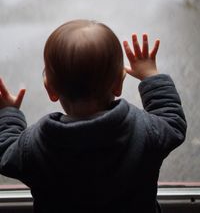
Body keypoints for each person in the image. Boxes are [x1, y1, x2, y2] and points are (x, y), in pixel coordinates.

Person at [0, 19, 186, 213]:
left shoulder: (34, 147)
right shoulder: (146, 131)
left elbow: (5, 152)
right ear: (118, 85)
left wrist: (8, 113)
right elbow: (172, 121)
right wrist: (151, 77)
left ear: (51, 90)